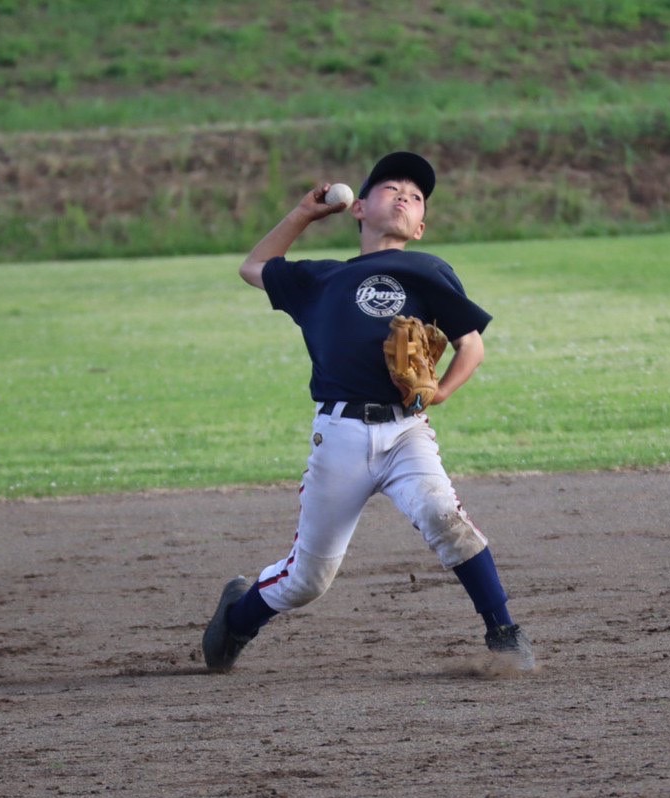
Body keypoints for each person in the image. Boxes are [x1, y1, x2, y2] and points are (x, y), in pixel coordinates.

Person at [202, 150, 534, 674]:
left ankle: (504, 631)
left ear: (420, 227)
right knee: (307, 580)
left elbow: (471, 346)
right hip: (338, 436)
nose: (403, 195)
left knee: (444, 517)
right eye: (390, 188)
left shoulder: (427, 270)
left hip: (406, 431)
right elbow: (253, 268)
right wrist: (303, 215)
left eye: (416, 196)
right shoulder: (319, 280)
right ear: (358, 208)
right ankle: (237, 619)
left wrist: (441, 392)